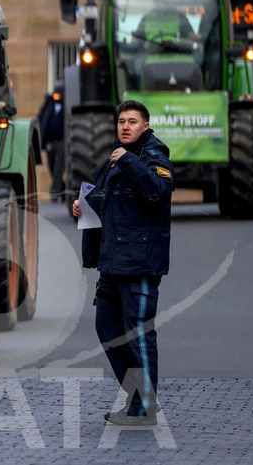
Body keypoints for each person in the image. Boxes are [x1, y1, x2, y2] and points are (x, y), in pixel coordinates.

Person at [72, 100, 173, 426]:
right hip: (112, 264)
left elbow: (158, 191)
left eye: (132, 121)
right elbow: (104, 203)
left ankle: (144, 408)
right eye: (121, 121)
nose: (125, 126)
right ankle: (137, 399)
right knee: (108, 331)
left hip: (140, 263)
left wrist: (129, 160)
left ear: (146, 125)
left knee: (139, 335)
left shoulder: (153, 156)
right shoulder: (114, 160)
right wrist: (83, 205)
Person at [37, 80, 66, 202]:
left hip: (62, 142)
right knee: (51, 166)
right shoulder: (49, 105)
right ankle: (63, 189)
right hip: (50, 142)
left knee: (59, 167)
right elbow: (41, 119)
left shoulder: (67, 106)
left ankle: (54, 192)